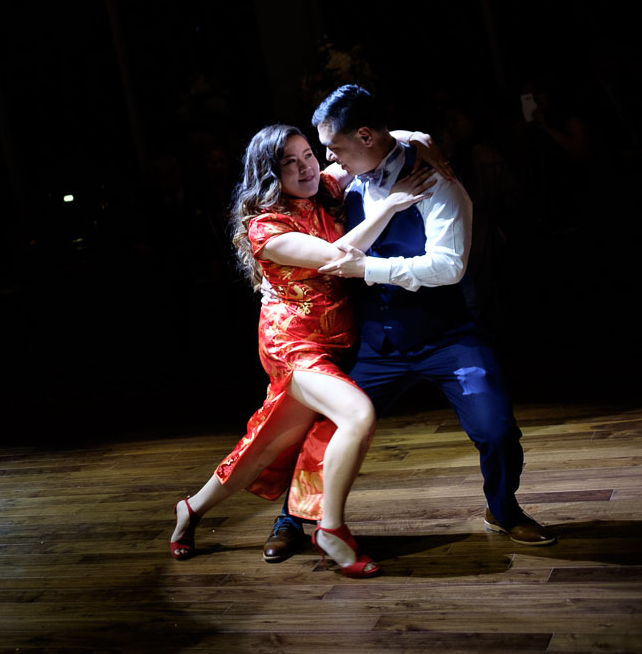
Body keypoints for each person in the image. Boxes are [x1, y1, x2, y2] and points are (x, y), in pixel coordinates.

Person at [261, 85, 556, 562]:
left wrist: (366, 269)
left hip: (447, 336)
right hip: (378, 340)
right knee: (323, 425)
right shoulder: (346, 177)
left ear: (363, 135)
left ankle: (503, 510)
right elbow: (386, 140)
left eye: (333, 148)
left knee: (496, 429)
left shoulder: (437, 182)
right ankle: (293, 519)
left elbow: (448, 266)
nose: (326, 160)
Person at [170, 123, 435, 576]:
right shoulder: (266, 227)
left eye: (308, 155)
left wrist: (412, 136)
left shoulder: (325, 184)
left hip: (336, 340)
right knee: (357, 413)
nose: (305, 167)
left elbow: (361, 147)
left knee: (264, 448)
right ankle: (330, 528)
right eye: (289, 163)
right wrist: (389, 206)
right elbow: (337, 257)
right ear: (270, 175)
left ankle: (190, 510)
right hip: (293, 345)